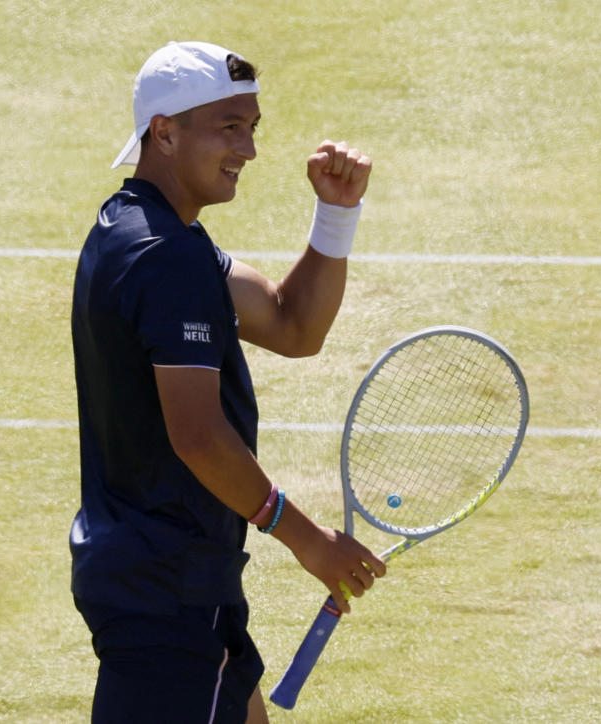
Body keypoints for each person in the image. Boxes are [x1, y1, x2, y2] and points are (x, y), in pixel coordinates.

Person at [69, 41, 385, 723]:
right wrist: (307, 538)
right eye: (229, 127)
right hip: (167, 589)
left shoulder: (140, 231)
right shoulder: (167, 256)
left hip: (167, 582)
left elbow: (292, 327)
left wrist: (336, 215)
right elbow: (198, 436)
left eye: (252, 127)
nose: (248, 148)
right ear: (165, 131)